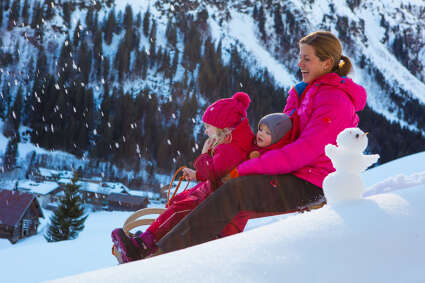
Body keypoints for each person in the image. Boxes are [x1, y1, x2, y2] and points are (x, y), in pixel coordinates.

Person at [153, 30, 367, 255]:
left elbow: (304, 151)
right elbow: (281, 140)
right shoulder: (308, 92)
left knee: (236, 191)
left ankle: (162, 256)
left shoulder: (335, 99)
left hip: (312, 183)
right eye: (299, 56)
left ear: (327, 63)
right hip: (295, 174)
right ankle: (158, 241)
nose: (299, 63)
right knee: (222, 185)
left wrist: (246, 167)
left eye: (307, 58)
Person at [111, 92, 255, 263]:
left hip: (221, 210)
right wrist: (197, 173)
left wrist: (203, 155)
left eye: (208, 126)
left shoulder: (230, 148)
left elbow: (215, 174)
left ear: (221, 126)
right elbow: (221, 172)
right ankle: (151, 238)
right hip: (218, 199)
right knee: (181, 202)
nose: (205, 130)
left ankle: (141, 246)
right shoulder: (236, 141)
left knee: (180, 209)